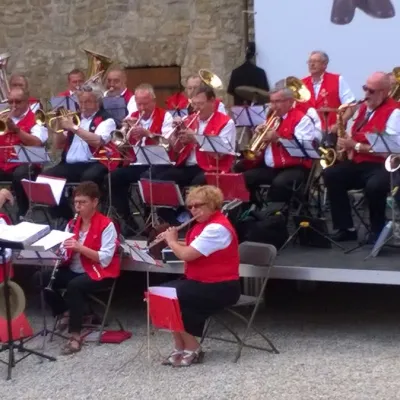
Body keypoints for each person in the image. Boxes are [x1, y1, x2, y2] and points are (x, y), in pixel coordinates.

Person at [158, 185, 241, 367]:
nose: (193, 210)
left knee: (165, 293)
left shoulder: (217, 228)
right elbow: (191, 245)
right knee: (161, 296)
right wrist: (169, 240)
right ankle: (180, 345)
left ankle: (193, 347)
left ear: (212, 205)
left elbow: (187, 254)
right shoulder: (202, 226)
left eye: (198, 205)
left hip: (222, 286)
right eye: (190, 207)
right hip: (202, 283)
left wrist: (171, 241)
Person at [40, 182, 120, 355]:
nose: (78, 206)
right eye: (76, 202)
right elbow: (65, 250)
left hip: (99, 271)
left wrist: (79, 247)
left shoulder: (107, 225)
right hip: (75, 269)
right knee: (41, 278)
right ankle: (66, 311)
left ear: (94, 202)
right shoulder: (72, 224)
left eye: (83, 202)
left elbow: (105, 258)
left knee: (74, 286)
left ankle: (75, 335)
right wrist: (57, 251)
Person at [324, 72, 400, 242]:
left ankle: (377, 230)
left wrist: (355, 146)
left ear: (384, 92)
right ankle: (345, 228)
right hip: (360, 162)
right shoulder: (364, 108)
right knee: (331, 174)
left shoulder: (395, 113)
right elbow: (356, 135)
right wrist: (345, 145)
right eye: (365, 89)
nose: (366, 94)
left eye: (371, 91)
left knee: (374, 186)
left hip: (384, 164)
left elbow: (391, 150)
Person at [154, 85, 236, 225]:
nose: (197, 108)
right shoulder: (190, 119)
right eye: (194, 104)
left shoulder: (226, 122)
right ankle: (176, 220)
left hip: (212, 167)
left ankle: (191, 219)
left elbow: (221, 154)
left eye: (201, 104)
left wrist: (196, 138)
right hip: (188, 165)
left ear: (212, 102)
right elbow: (176, 149)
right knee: (160, 180)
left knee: (196, 185)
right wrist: (175, 133)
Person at [235, 80, 318, 205]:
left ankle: (275, 216)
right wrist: (258, 137)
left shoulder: (302, 119)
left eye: (277, 102)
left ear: (290, 102)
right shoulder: (272, 118)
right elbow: (265, 148)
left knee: (279, 184)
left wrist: (278, 138)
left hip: (295, 167)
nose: (273, 106)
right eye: (271, 102)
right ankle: (251, 211)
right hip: (272, 167)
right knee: (243, 178)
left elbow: (303, 149)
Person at [46, 87, 118, 220]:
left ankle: (87, 217)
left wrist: (73, 127)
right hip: (71, 164)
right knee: (47, 177)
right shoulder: (75, 118)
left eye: (88, 102)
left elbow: (98, 141)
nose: (83, 106)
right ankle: (65, 217)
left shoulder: (107, 120)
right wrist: (58, 126)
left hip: (94, 162)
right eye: (81, 102)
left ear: (97, 103)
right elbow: (59, 144)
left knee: (89, 178)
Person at [107, 83, 172, 229]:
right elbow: (121, 146)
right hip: (139, 162)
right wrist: (125, 133)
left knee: (147, 177)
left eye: (145, 104)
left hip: (160, 163)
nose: (141, 108)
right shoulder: (132, 117)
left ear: (154, 101)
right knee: (113, 177)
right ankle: (127, 220)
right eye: (139, 104)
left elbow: (167, 144)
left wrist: (147, 133)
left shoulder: (165, 116)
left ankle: (150, 224)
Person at [0, 87, 48, 218]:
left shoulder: (36, 119)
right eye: (10, 102)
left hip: (27, 164)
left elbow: (37, 142)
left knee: (20, 174)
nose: (13, 106)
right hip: (4, 163)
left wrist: (16, 130)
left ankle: (22, 213)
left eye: (18, 102)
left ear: (27, 102)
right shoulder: (2, 117)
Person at [296, 51, 356, 137]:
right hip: (307, 134)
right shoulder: (301, 84)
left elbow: (352, 106)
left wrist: (339, 125)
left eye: (315, 61)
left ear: (325, 64)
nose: (311, 64)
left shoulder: (337, 80)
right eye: (310, 61)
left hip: (331, 134)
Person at [227, 41, 270, 106]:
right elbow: (265, 92)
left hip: (239, 109)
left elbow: (231, 91)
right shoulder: (260, 72)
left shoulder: (235, 72)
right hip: (256, 110)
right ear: (255, 55)